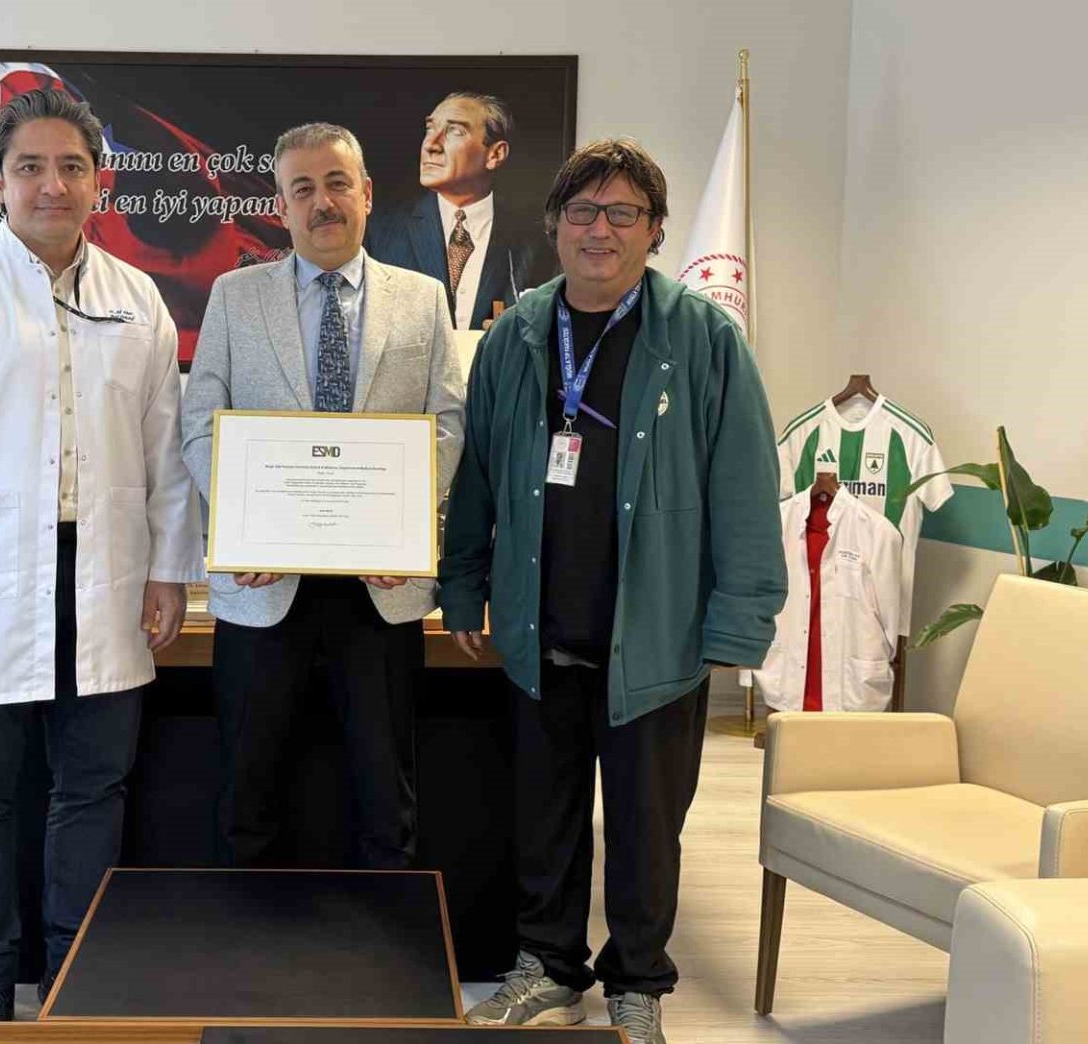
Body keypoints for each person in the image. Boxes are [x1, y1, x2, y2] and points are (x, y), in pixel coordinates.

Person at [439, 137, 786, 1041]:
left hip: (657, 636)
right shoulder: (515, 335)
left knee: (645, 826)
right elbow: (479, 473)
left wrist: (739, 622)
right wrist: (463, 586)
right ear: (555, 224)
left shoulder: (704, 339)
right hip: (538, 628)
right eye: (584, 211)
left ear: (655, 229)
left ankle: (637, 980)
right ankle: (550, 969)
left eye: (623, 212)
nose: (601, 229)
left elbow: (747, 489)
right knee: (544, 819)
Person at [0, 88, 204, 1022]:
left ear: (100, 183)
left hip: (103, 579)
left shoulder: (136, 298)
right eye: (31, 167)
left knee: (93, 790)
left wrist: (168, 569)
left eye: (71, 167)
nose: (52, 185)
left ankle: (72, 983)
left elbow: (164, 449)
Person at [180, 122, 464, 871]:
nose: (322, 202)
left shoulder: (423, 299)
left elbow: (447, 424)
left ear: (367, 194)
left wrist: (404, 527)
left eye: (337, 184)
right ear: (280, 207)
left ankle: (387, 938)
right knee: (248, 794)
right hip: (262, 587)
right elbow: (199, 424)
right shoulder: (235, 297)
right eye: (302, 189)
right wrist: (243, 523)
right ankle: (249, 940)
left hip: (382, 589)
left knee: (386, 799)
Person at [366, 91, 550, 330]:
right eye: (430, 129)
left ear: (495, 154)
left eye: (455, 131)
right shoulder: (381, 231)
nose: (431, 145)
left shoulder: (537, 241)